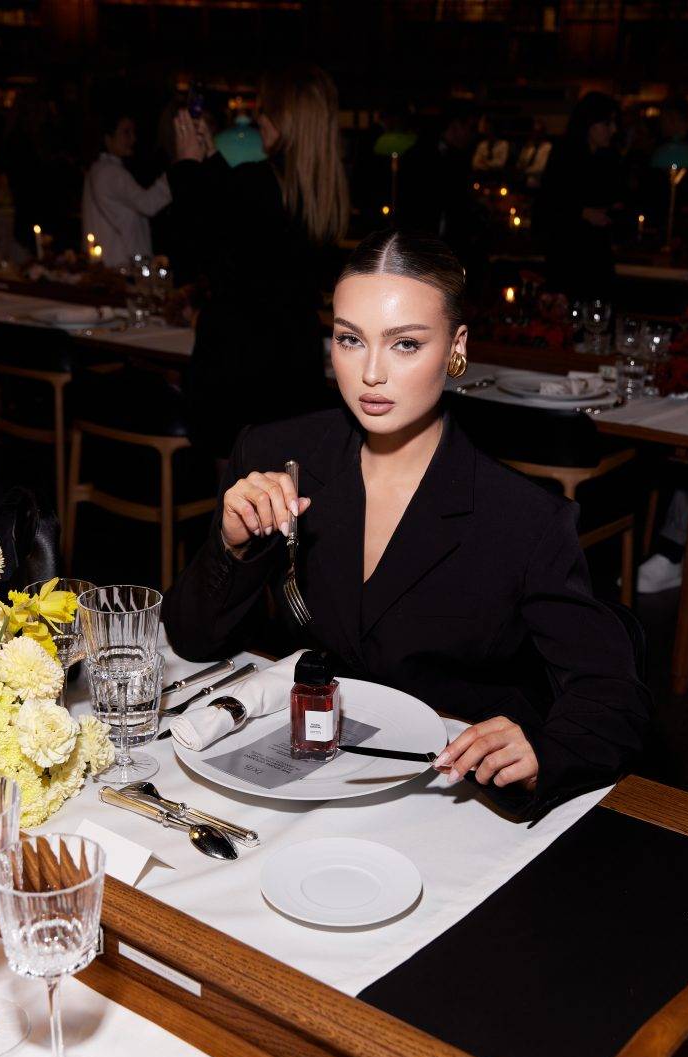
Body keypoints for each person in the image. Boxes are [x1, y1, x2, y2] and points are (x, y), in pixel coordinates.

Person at [163, 229, 651, 821]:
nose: (371, 373)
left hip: (447, 795)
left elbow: (611, 697)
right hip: (304, 770)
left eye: (405, 344)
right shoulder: (276, 455)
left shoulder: (522, 518)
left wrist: (543, 752)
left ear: (455, 348)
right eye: (350, 339)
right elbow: (192, 641)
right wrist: (232, 546)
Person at [169, 63, 348, 463]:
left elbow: (195, 249)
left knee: (236, 488)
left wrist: (186, 166)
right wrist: (212, 160)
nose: (259, 119)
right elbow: (255, 238)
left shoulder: (257, 184)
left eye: (266, 110)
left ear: (286, 118)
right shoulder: (321, 194)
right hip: (293, 368)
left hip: (239, 371)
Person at [537, 92, 622, 299]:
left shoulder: (608, 157)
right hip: (568, 254)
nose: (613, 130)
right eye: (607, 123)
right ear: (589, 123)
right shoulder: (564, 154)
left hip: (598, 254)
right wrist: (582, 213)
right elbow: (548, 203)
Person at [81, 107, 171, 268]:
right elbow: (148, 204)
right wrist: (175, 174)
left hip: (109, 262)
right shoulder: (110, 172)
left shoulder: (98, 169)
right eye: (126, 133)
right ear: (108, 138)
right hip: (121, 265)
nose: (133, 139)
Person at [516, 119, 552, 189]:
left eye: (538, 132)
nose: (535, 135)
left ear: (543, 133)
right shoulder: (530, 146)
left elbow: (540, 168)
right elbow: (520, 162)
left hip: (535, 183)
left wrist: (525, 171)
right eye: (534, 132)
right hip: (522, 181)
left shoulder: (547, 147)